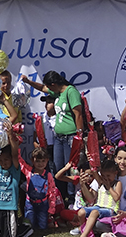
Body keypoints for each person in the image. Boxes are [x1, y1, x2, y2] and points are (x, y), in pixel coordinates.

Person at [22, 71, 83, 202]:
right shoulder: (58, 93)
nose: (48, 90)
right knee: (57, 169)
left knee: (70, 169)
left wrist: (79, 135)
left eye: (50, 87)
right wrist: (28, 82)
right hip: (59, 137)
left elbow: (78, 114)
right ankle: (60, 198)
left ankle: (72, 199)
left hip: (71, 137)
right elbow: (42, 88)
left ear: (54, 84)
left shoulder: (71, 92)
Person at [0, 121, 33, 237]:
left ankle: (26, 228)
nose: (3, 162)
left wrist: (10, 134)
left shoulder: (14, 169)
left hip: (8, 207)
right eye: (1, 160)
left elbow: (15, 153)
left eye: (6, 160)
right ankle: (8, 228)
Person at [71, 159, 121, 237]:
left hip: (111, 209)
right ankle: (84, 230)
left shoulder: (117, 184)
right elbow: (94, 173)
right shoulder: (101, 183)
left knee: (94, 212)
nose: (106, 178)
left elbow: (117, 198)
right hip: (98, 207)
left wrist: (109, 187)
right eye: (104, 176)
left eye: (108, 175)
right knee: (81, 212)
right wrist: (83, 184)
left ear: (115, 173)